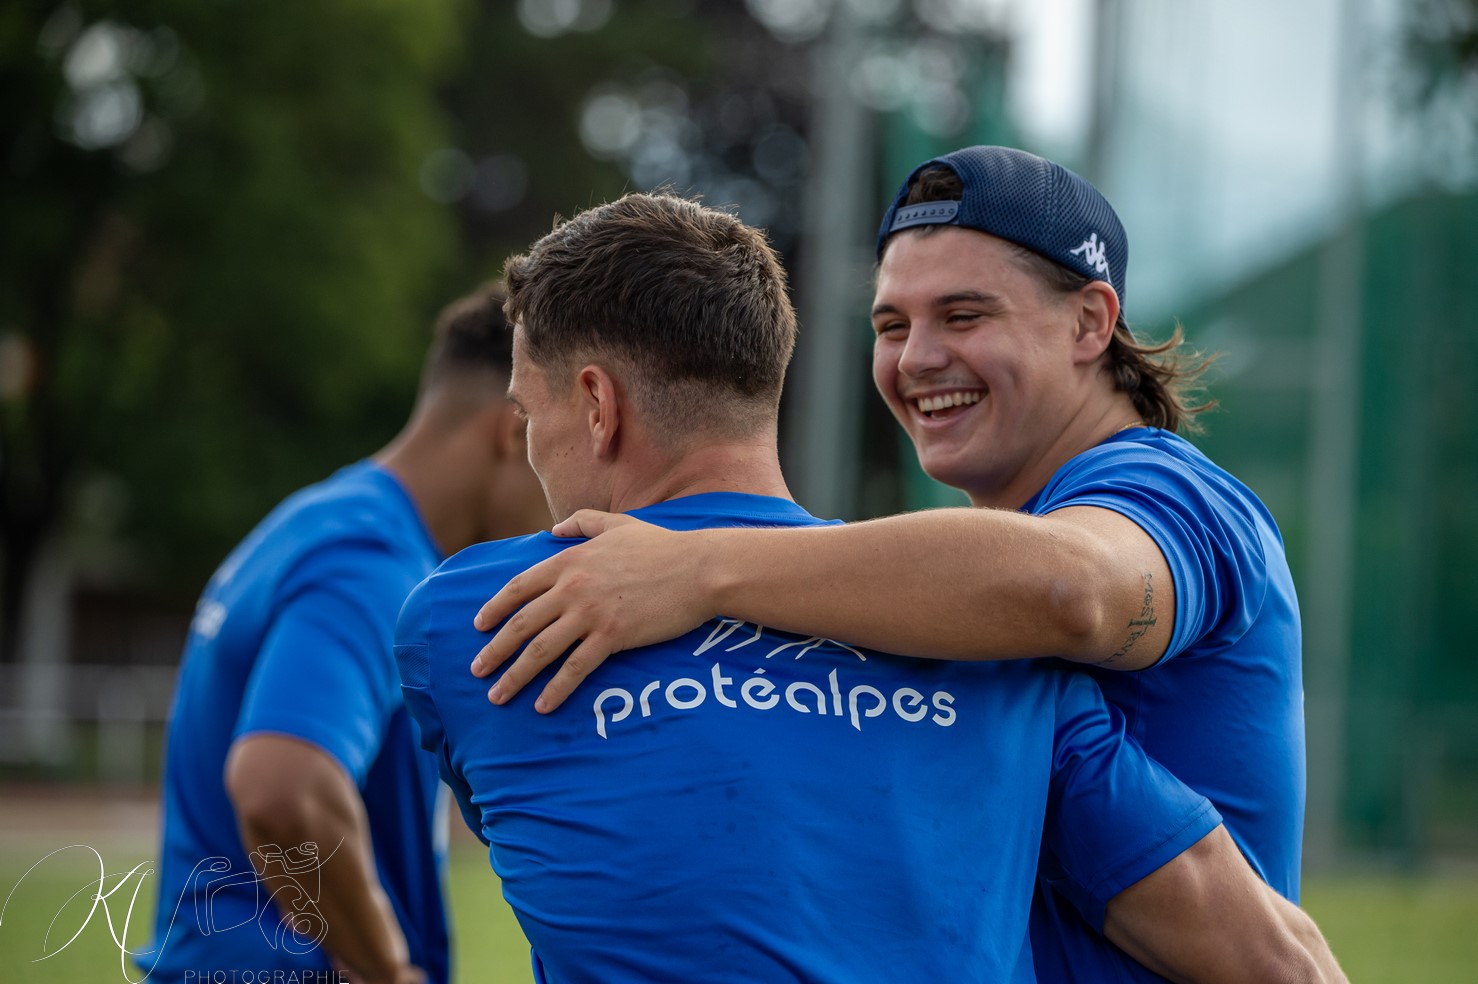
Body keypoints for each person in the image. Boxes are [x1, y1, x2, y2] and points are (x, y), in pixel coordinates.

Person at [396, 192, 1341, 982]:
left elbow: (1072, 593)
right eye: (891, 324)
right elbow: (1277, 959)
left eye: (963, 315)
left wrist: (696, 567)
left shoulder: (472, 620)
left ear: (597, 406)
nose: (918, 357)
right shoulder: (992, 649)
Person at [142, 283, 550, 984]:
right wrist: (387, 967)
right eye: (562, 445)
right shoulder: (370, 563)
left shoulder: (320, 520)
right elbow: (282, 787)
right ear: (512, 433)